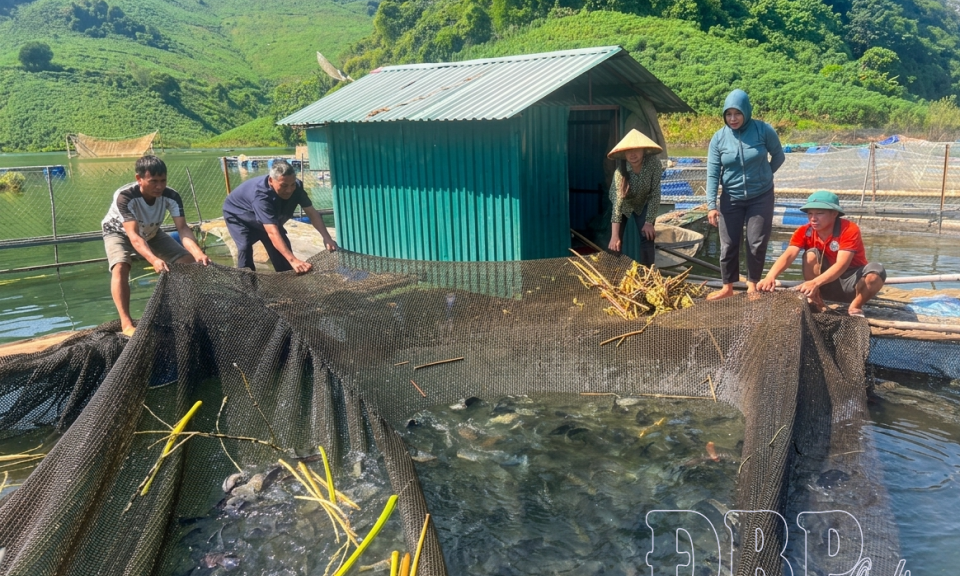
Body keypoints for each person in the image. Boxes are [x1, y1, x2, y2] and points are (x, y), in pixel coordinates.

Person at [102, 155, 211, 337]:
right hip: (118, 232)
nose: (159, 186)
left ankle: (184, 311)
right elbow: (134, 236)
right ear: (139, 179)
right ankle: (126, 323)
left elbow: (182, 228)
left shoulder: (171, 195)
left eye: (163, 181)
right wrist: (153, 259)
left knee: (188, 260)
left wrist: (198, 253)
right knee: (121, 266)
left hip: (151, 231)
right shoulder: (125, 197)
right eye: (153, 181)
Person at [705, 89, 785, 300]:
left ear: (746, 112)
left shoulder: (763, 130)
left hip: (761, 196)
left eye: (737, 113)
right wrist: (711, 205)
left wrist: (764, 174)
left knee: (756, 241)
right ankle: (727, 287)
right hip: (731, 197)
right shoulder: (719, 138)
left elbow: (778, 156)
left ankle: (752, 285)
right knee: (729, 243)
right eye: (728, 114)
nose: (733, 119)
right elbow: (713, 173)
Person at [757, 190, 886, 316]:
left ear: (834, 214)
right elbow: (789, 255)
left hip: (851, 285)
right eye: (810, 214)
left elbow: (842, 264)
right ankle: (815, 299)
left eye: (819, 213)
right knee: (810, 254)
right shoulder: (804, 231)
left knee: (876, 271)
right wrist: (770, 276)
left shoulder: (849, 229)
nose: (813, 218)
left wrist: (815, 282)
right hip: (824, 285)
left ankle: (855, 306)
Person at [222, 159, 337, 274]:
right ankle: (247, 286)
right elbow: (272, 232)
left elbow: (312, 212)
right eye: (284, 185)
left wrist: (326, 237)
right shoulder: (261, 196)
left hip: (265, 215)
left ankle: (287, 280)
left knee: (284, 254)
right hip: (238, 213)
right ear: (271, 181)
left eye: (292, 184)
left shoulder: (296, 187)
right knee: (245, 247)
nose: (289, 190)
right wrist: (293, 260)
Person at [606, 129, 663, 266]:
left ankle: (648, 274)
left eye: (636, 150)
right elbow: (617, 206)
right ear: (624, 154)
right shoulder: (620, 172)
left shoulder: (654, 164)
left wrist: (649, 222)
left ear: (644, 150)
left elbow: (655, 194)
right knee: (615, 241)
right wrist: (614, 236)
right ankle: (614, 274)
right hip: (623, 204)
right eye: (628, 151)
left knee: (647, 236)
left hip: (644, 202)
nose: (632, 155)